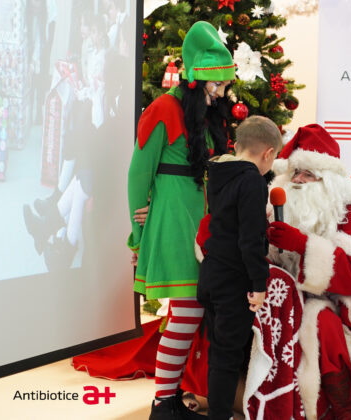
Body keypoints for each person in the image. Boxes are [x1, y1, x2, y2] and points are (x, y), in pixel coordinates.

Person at [127, 21, 235, 420]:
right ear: (195, 78)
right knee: (187, 312)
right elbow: (138, 174)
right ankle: (163, 403)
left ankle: (168, 399)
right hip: (175, 223)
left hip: (202, 224)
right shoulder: (162, 109)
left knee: (191, 314)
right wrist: (138, 232)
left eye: (223, 83)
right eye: (216, 83)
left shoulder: (205, 114)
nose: (221, 92)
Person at [266, 124, 351, 420]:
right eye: (295, 172)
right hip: (298, 300)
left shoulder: (348, 213)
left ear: (328, 182)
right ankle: (343, 412)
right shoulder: (274, 208)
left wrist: (302, 244)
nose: (298, 180)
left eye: (308, 174)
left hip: (350, 297)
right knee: (322, 324)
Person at [197, 115, 282, 420]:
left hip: (211, 274)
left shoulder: (219, 172)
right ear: (268, 153)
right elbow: (250, 239)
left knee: (218, 353)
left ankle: (218, 412)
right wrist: (259, 285)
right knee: (227, 358)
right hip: (233, 280)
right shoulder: (251, 180)